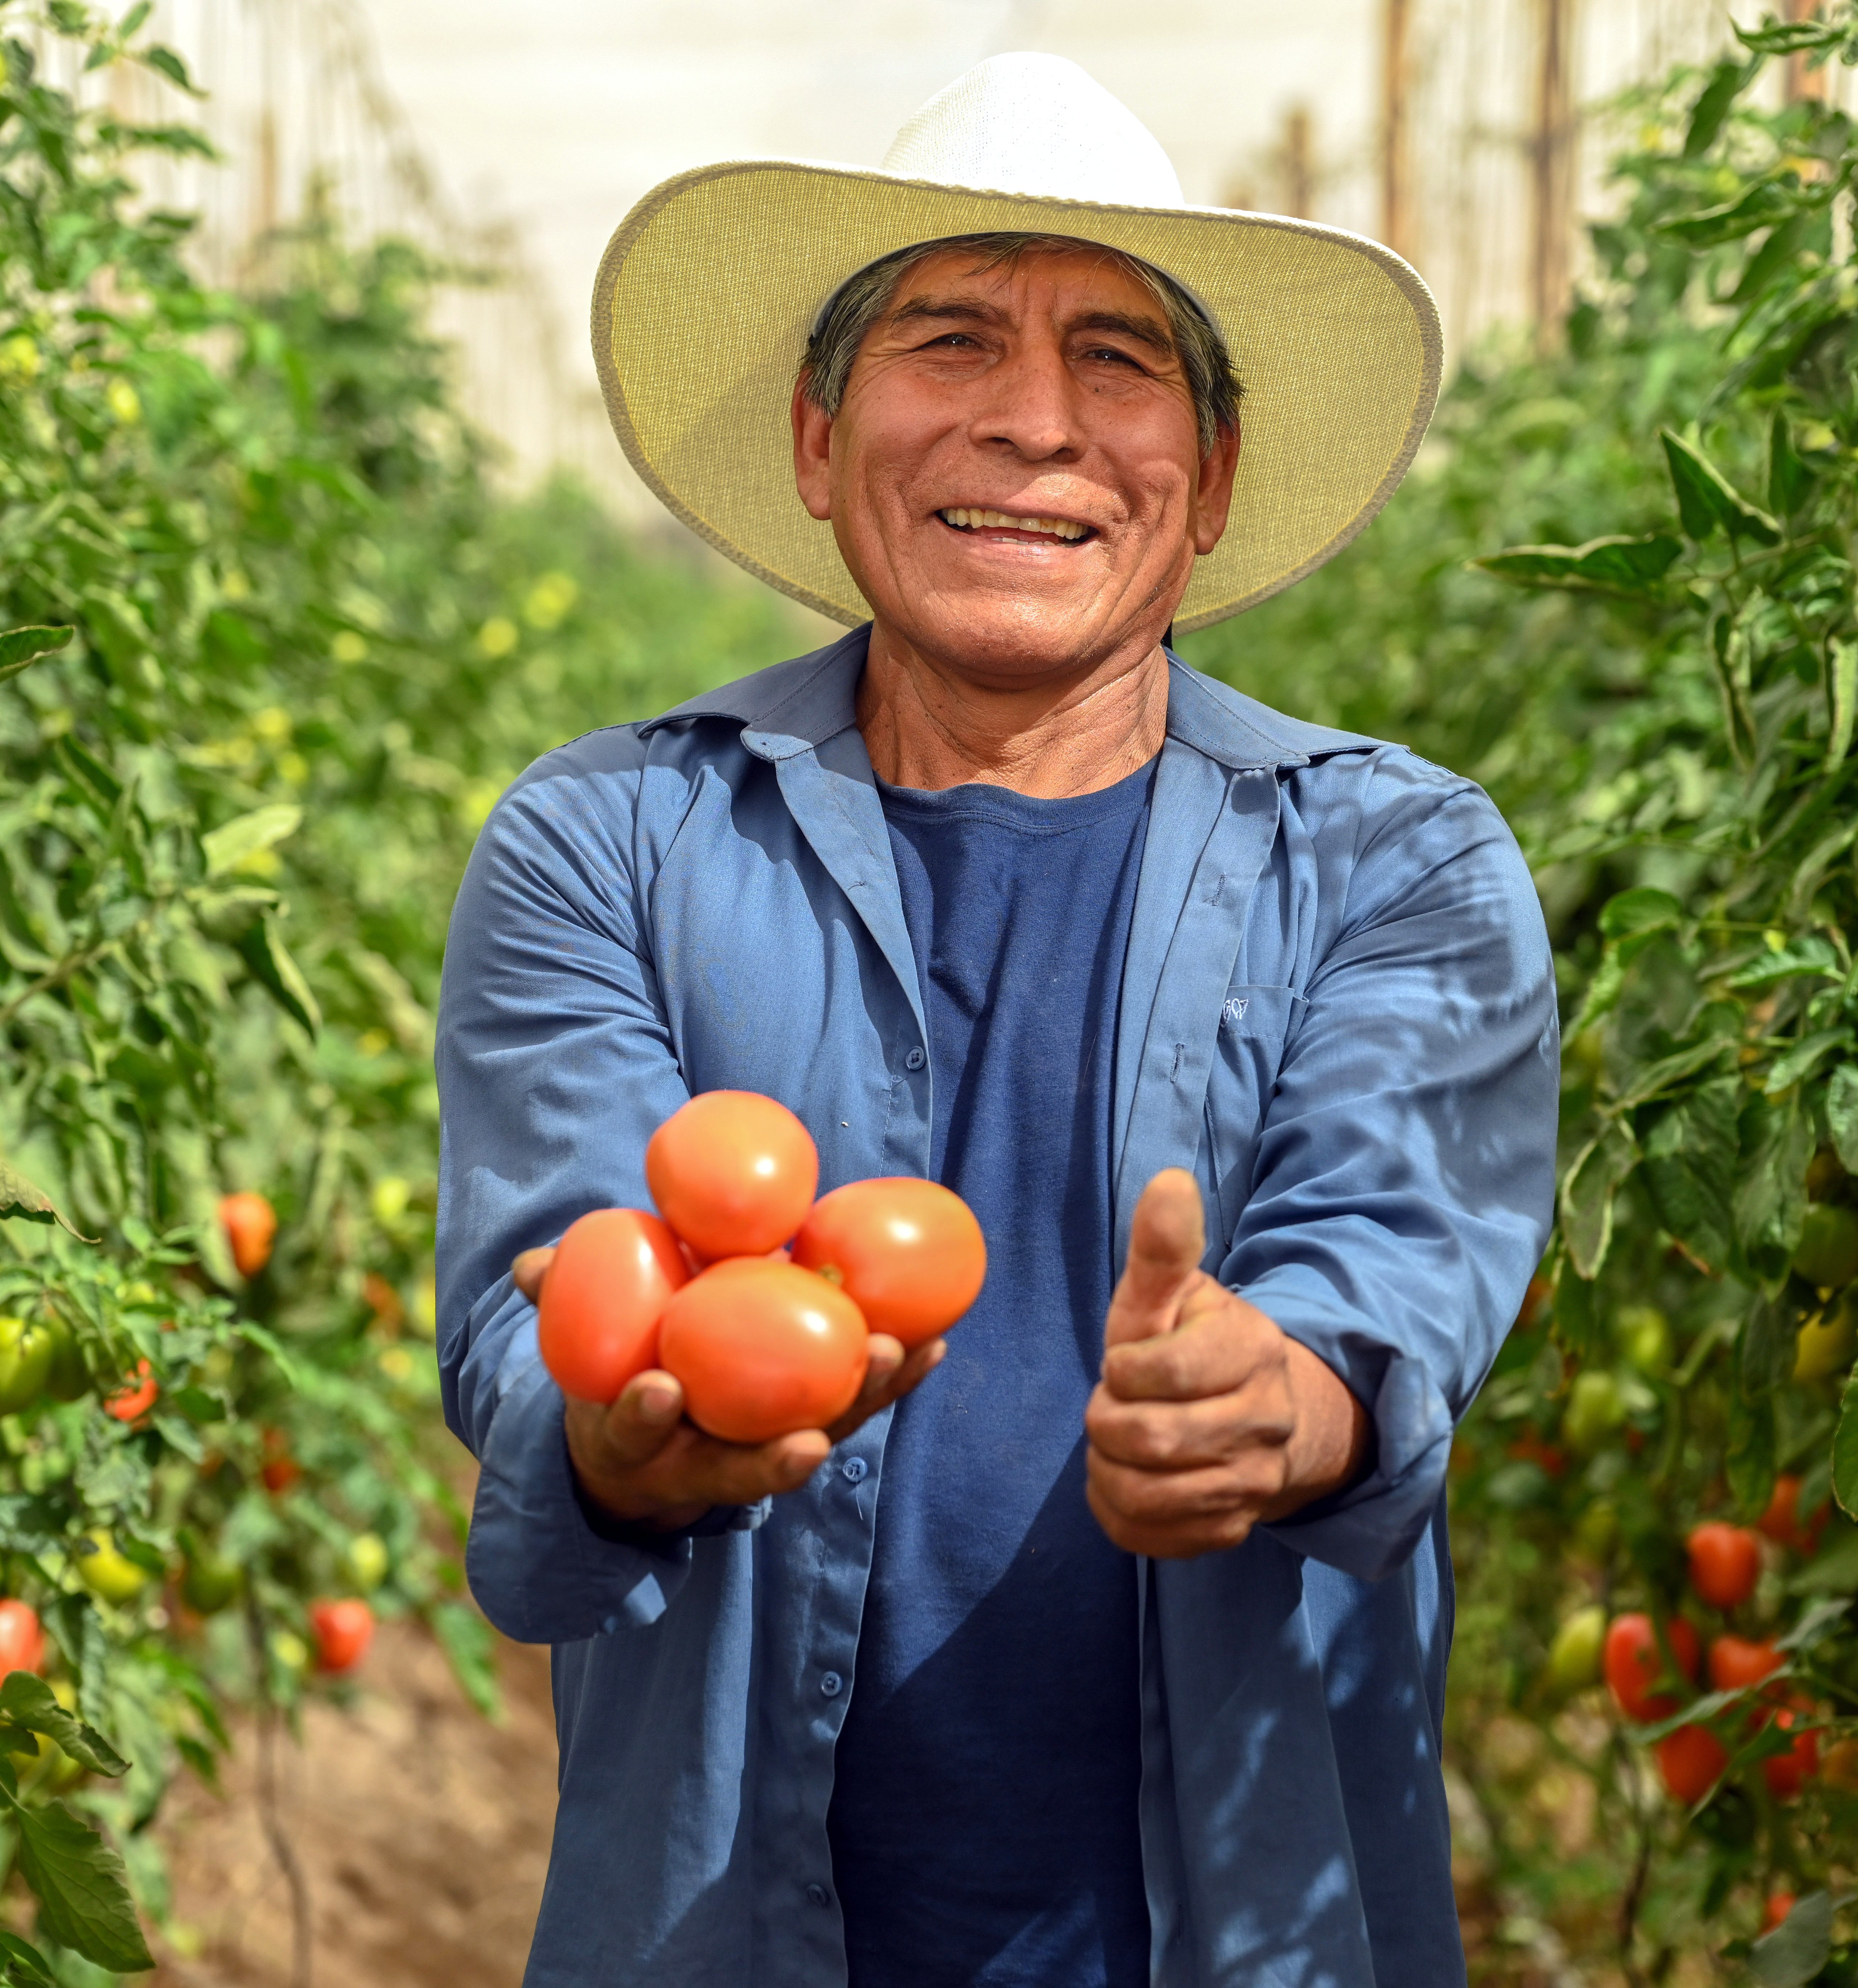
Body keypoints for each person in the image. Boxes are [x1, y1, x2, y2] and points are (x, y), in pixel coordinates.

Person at [436, 51, 1556, 1988]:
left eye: (1118, 362)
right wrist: (623, 1446)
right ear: (818, 439)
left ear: (1203, 482)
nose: (1033, 422)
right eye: (949, 339)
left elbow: (1394, 1276)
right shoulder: (606, 844)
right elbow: (543, 1315)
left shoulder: (1397, 864)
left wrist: (1269, 1405)